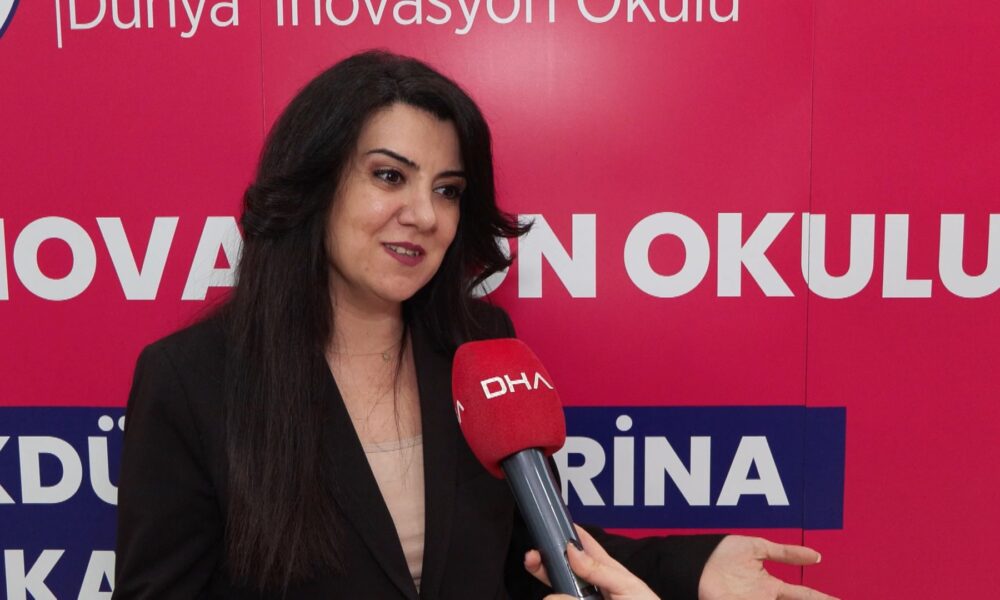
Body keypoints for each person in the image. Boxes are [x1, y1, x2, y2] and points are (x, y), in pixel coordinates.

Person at [113, 50, 834, 599]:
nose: (425, 215)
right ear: (315, 182)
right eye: (389, 176)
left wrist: (694, 570)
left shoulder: (480, 346)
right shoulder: (192, 379)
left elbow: (535, 549)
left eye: (448, 190)